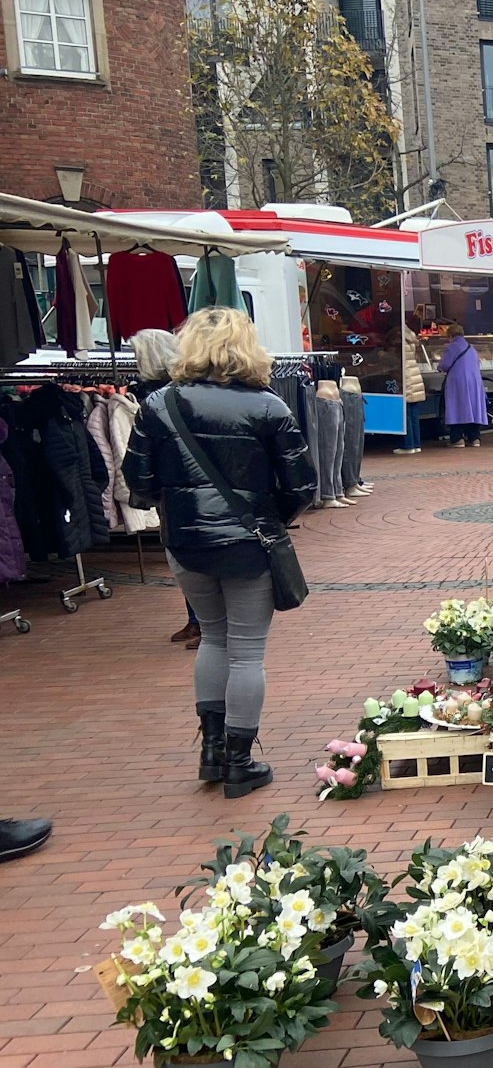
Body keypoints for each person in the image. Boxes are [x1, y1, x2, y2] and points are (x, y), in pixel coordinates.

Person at [123, 306, 317, 798]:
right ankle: (238, 761)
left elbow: (137, 480)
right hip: (249, 543)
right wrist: (269, 517)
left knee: (213, 638)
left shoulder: (159, 403)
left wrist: (176, 506)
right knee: (247, 652)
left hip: (185, 542)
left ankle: (211, 752)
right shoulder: (268, 406)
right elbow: (301, 485)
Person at [132, 328, 202, 650]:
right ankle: (197, 618)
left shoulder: (161, 398)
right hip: (182, 486)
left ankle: (203, 621)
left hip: (180, 487)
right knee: (185, 554)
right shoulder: (180, 391)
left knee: (188, 555)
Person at [438, 323, 485, 446]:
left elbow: (444, 365)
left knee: (456, 408)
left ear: (450, 335)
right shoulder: (471, 348)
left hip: (458, 382)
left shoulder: (451, 347)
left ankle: (457, 439)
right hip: (475, 382)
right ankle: (474, 438)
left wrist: (439, 366)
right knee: (473, 408)